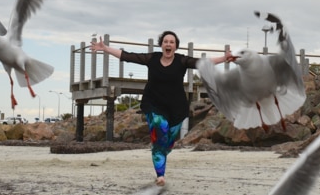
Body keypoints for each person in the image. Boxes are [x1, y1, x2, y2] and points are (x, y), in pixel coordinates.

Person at [90, 31, 234, 186]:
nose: (168, 44)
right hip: (155, 105)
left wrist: (224, 58)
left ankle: (160, 154)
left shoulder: (182, 61)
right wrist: (106, 48)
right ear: (161, 45)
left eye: (172, 42)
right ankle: (160, 176)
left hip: (176, 107)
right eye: (166, 41)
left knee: (167, 143)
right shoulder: (152, 59)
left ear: (175, 46)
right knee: (160, 133)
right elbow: (128, 56)